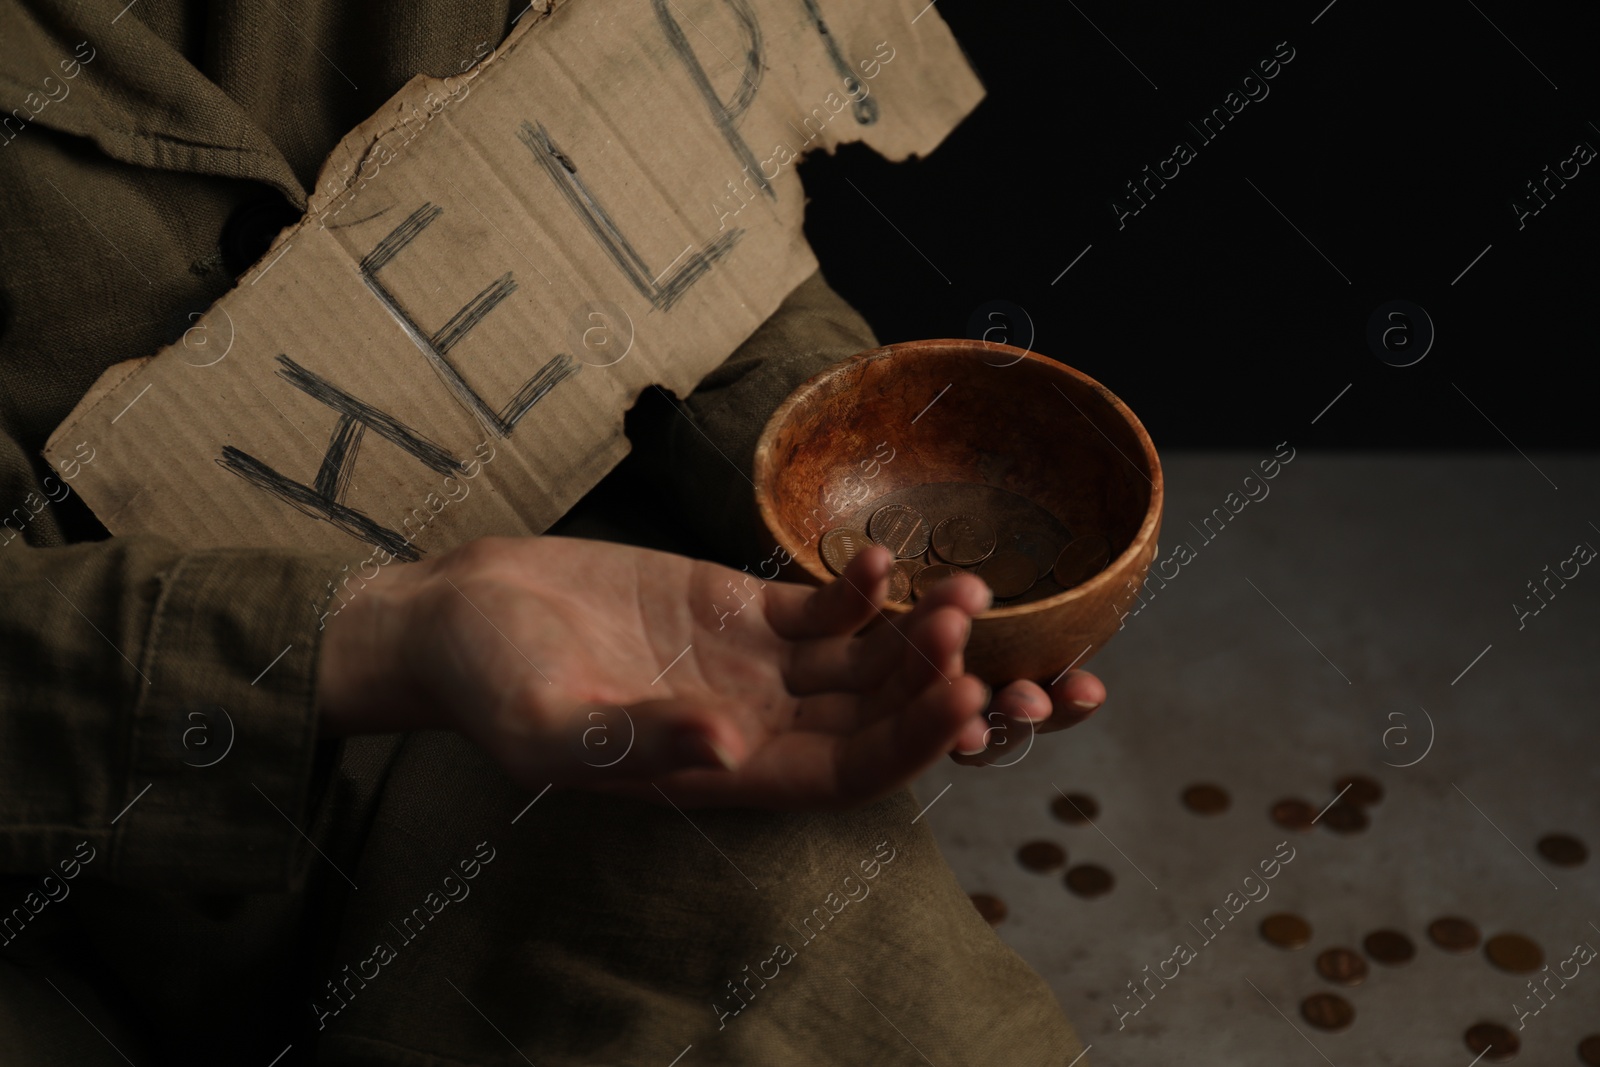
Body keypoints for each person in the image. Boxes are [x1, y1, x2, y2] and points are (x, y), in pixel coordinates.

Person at [0, 1, 1104, 1062]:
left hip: (561, 635)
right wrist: (382, 636)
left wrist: (847, 490)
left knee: (865, 999)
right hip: (44, 870)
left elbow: (664, 205)